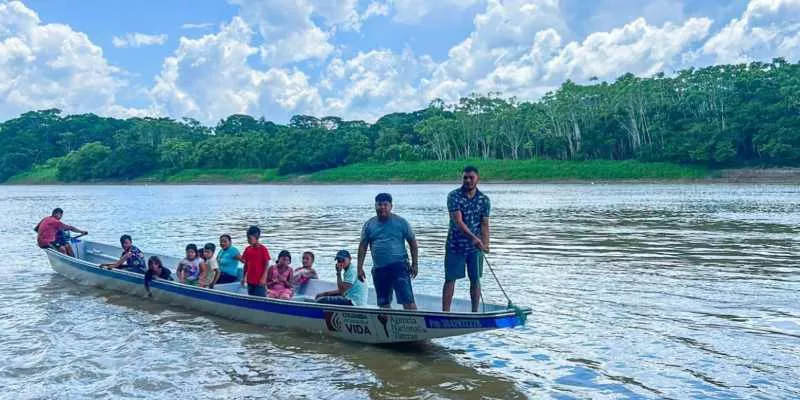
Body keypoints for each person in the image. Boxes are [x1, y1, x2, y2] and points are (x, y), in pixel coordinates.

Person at [357, 193, 419, 310]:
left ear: (391, 206)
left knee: (407, 300)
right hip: (379, 268)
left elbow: (413, 243)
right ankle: (386, 326)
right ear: (375, 206)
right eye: (379, 205)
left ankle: (415, 324)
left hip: (399, 266)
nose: (382, 208)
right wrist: (359, 268)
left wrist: (415, 264)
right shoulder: (369, 225)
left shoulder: (401, 222)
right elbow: (362, 247)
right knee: (383, 303)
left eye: (385, 205)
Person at [442, 165, 491, 312]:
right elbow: (458, 221)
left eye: (471, 178)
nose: (468, 180)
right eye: (465, 178)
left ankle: (474, 311)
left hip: (475, 248)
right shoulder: (453, 196)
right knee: (451, 279)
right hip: (455, 245)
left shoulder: (484, 200)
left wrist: (486, 244)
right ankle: (445, 312)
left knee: (475, 279)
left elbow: (484, 224)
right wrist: (474, 238)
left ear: (478, 179)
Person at [240, 226, 271, 297]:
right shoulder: (248, 249)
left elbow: (266, 264)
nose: (248, 240)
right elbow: (246, 265)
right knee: (251, 297)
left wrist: (263, 277)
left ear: (256, 237)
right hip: (250, 280)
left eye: (249, 238)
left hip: (259, 280)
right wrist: (243, 277)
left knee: (260, 298)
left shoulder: (263, 249)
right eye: (247, 238)